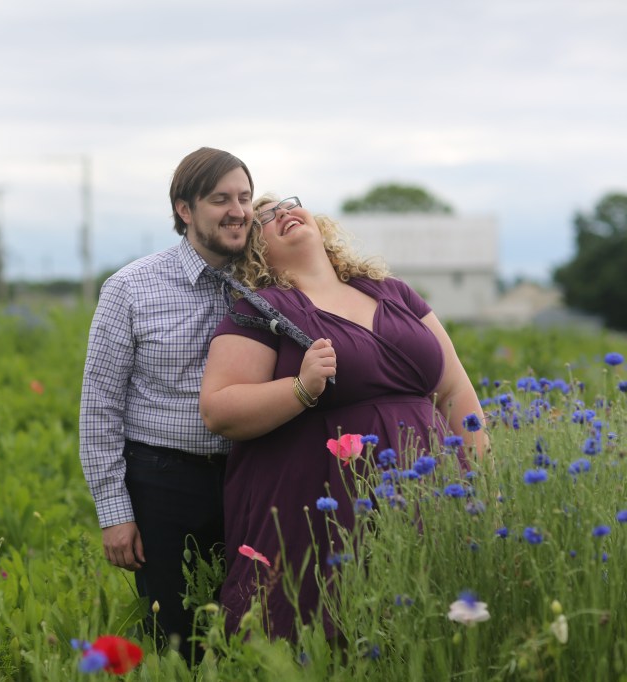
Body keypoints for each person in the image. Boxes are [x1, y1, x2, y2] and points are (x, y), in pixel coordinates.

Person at [199, 193, 489, 639]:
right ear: (253, 249)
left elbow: (454, 391)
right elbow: (219, 409)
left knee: (427, 630)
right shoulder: (259, 312)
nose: (283, 214)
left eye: (288, 204)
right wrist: (301, 387)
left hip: (427, 493)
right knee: (329, 635)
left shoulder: (394, 293)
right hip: (323, 508)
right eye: (265, 218)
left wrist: (483, 481)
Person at [79, 147, 254, 655]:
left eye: (244, 197)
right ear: (185, 209)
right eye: (221, 199)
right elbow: (99, 407)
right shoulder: (130, 288)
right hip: (162, 482)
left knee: (248, 631)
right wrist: (115, 512)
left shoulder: (265, 283)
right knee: (174, 639)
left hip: (248, 475)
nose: (238, 211)